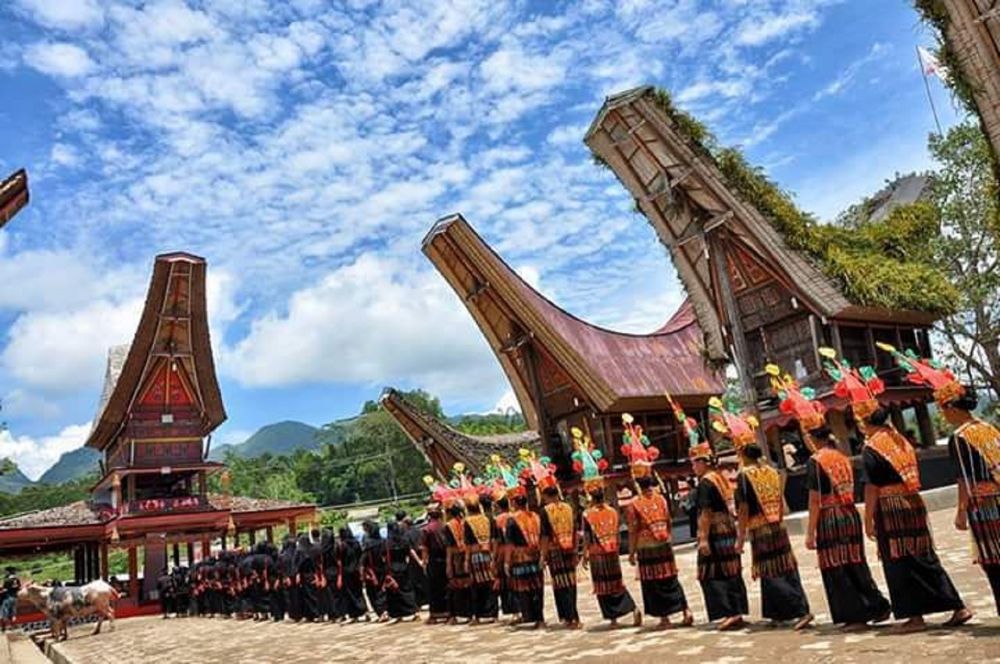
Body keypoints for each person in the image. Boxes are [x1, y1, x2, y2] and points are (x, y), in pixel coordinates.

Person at [825, 347, 971, 633]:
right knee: (923, 554)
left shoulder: (872, 447)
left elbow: (872, 487)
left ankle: (915, 617)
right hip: (912, 503)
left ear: (863, 420)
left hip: (891, 509)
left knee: (899, 560)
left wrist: (867, 520)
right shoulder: (899, 439)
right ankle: (957, 605)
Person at [880, 345, 1000, 616]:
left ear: (950, 407)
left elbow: (965, 479)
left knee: (993, 559)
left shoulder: (961, 437)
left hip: (984, 504)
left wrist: (960, 512)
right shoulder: (988, 428)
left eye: (943, 408)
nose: (943, 414)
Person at [734, 441, 813, 629]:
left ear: (744, 456)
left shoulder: (745, 476)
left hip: (760, 529)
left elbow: (743, 508)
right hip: (777, 526)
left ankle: (800, 610)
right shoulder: (771, 471)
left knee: (771, 571)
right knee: (785, 567)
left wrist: (740, 536)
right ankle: (777, 613)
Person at [571, 427, 641, 628]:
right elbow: (617, 532)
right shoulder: (612, 511)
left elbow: (588, 536)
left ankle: (613, 618)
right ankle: (632, 607)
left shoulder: (587, 514)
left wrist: (584, 554)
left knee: (603, 585)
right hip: (612, 551)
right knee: (616, 583)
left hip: (597, 554)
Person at [627, 475, 692, 628]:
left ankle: (664, 618)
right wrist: (668, 538)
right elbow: (669, 520)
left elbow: (632, 530)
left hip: (646, 548)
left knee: (653, 582)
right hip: (664, 544)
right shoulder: (661, 499)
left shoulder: (634, 504)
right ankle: (685, 610)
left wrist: (631, 552)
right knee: (670, 578)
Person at [539, 484, 580, 629]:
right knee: (571, 583)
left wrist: (542, 557)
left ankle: (569, 617)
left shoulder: (545, 511)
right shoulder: (569, 508)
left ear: (546, 496)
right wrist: (575, 550)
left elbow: (544, 536)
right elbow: (575, 530)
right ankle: (574, 616)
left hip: (555, 551)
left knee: (561, 584)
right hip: (570, 549)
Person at [505, 488, 545, 628]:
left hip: (520, 558)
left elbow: (509, 544)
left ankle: (529, 616)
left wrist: (507, 562)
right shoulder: (535, 516)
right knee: (537, 587)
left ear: (515, 503)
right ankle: (540, 618)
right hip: (536, 555)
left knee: (524, 589)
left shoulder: (512, 520)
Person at [463, 492, 499, 624]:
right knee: (490, 584)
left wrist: (466, 560)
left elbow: (467, 543)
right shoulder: (488, 519)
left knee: (476, 586)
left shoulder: (467, 522)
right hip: (488, 554)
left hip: (475, 556)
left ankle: (478, 616)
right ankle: (493, 614)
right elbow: (494, 539)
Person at [420, 501, 450, 624]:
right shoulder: (445, 526)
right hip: (446, 558)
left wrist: (424, 562)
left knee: (434, 588)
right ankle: (449, 612)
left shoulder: (426, 529)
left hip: (433, 560)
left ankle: (435, 615)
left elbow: (425, 548)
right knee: (447, 586)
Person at [443, 501, 473, 624]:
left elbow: (449, 547)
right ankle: (470, 613)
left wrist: (448, 564)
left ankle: (455, 615)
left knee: (454, 587)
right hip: (467, 554)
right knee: (468, 587)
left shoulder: (448, 526)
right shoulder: (465, 522)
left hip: (456, 558)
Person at [384, 521, 420, 622]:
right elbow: (409, 552)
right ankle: (415, 612)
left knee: (394, 592)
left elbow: (384, 557)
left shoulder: (387, 543)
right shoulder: (404, 540)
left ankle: (399, 615)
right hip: (404, 567)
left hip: (392, 569)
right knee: (407, 590)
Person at [336, 526, 368, 622]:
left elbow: (340, 562)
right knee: (359, 592)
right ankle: (365, 611)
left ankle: (355, 615)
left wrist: (340, 576)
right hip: (356, 571)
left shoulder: (342, 546)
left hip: (347, 572)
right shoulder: (356, 543)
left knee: (350, 594)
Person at [361, 520, 389, 622]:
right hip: (383, 570)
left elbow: (364, 560)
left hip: (371, 571)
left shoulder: (368, 543)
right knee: (382, 591)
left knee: (373, 592)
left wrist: (363, 573)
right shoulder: (383, 541)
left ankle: (381, 612)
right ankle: (385, 611)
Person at [1, 567, 20, 632]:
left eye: (6, 571)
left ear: (9, 572)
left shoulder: (7, 580)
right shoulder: (17, 579)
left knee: (4, 612)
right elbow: (18, 587)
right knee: (12, 613)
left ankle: (4, 628)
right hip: (14, 597)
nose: (5, 572)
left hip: (7, 597)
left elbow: (5, 589)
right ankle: (13, 627)